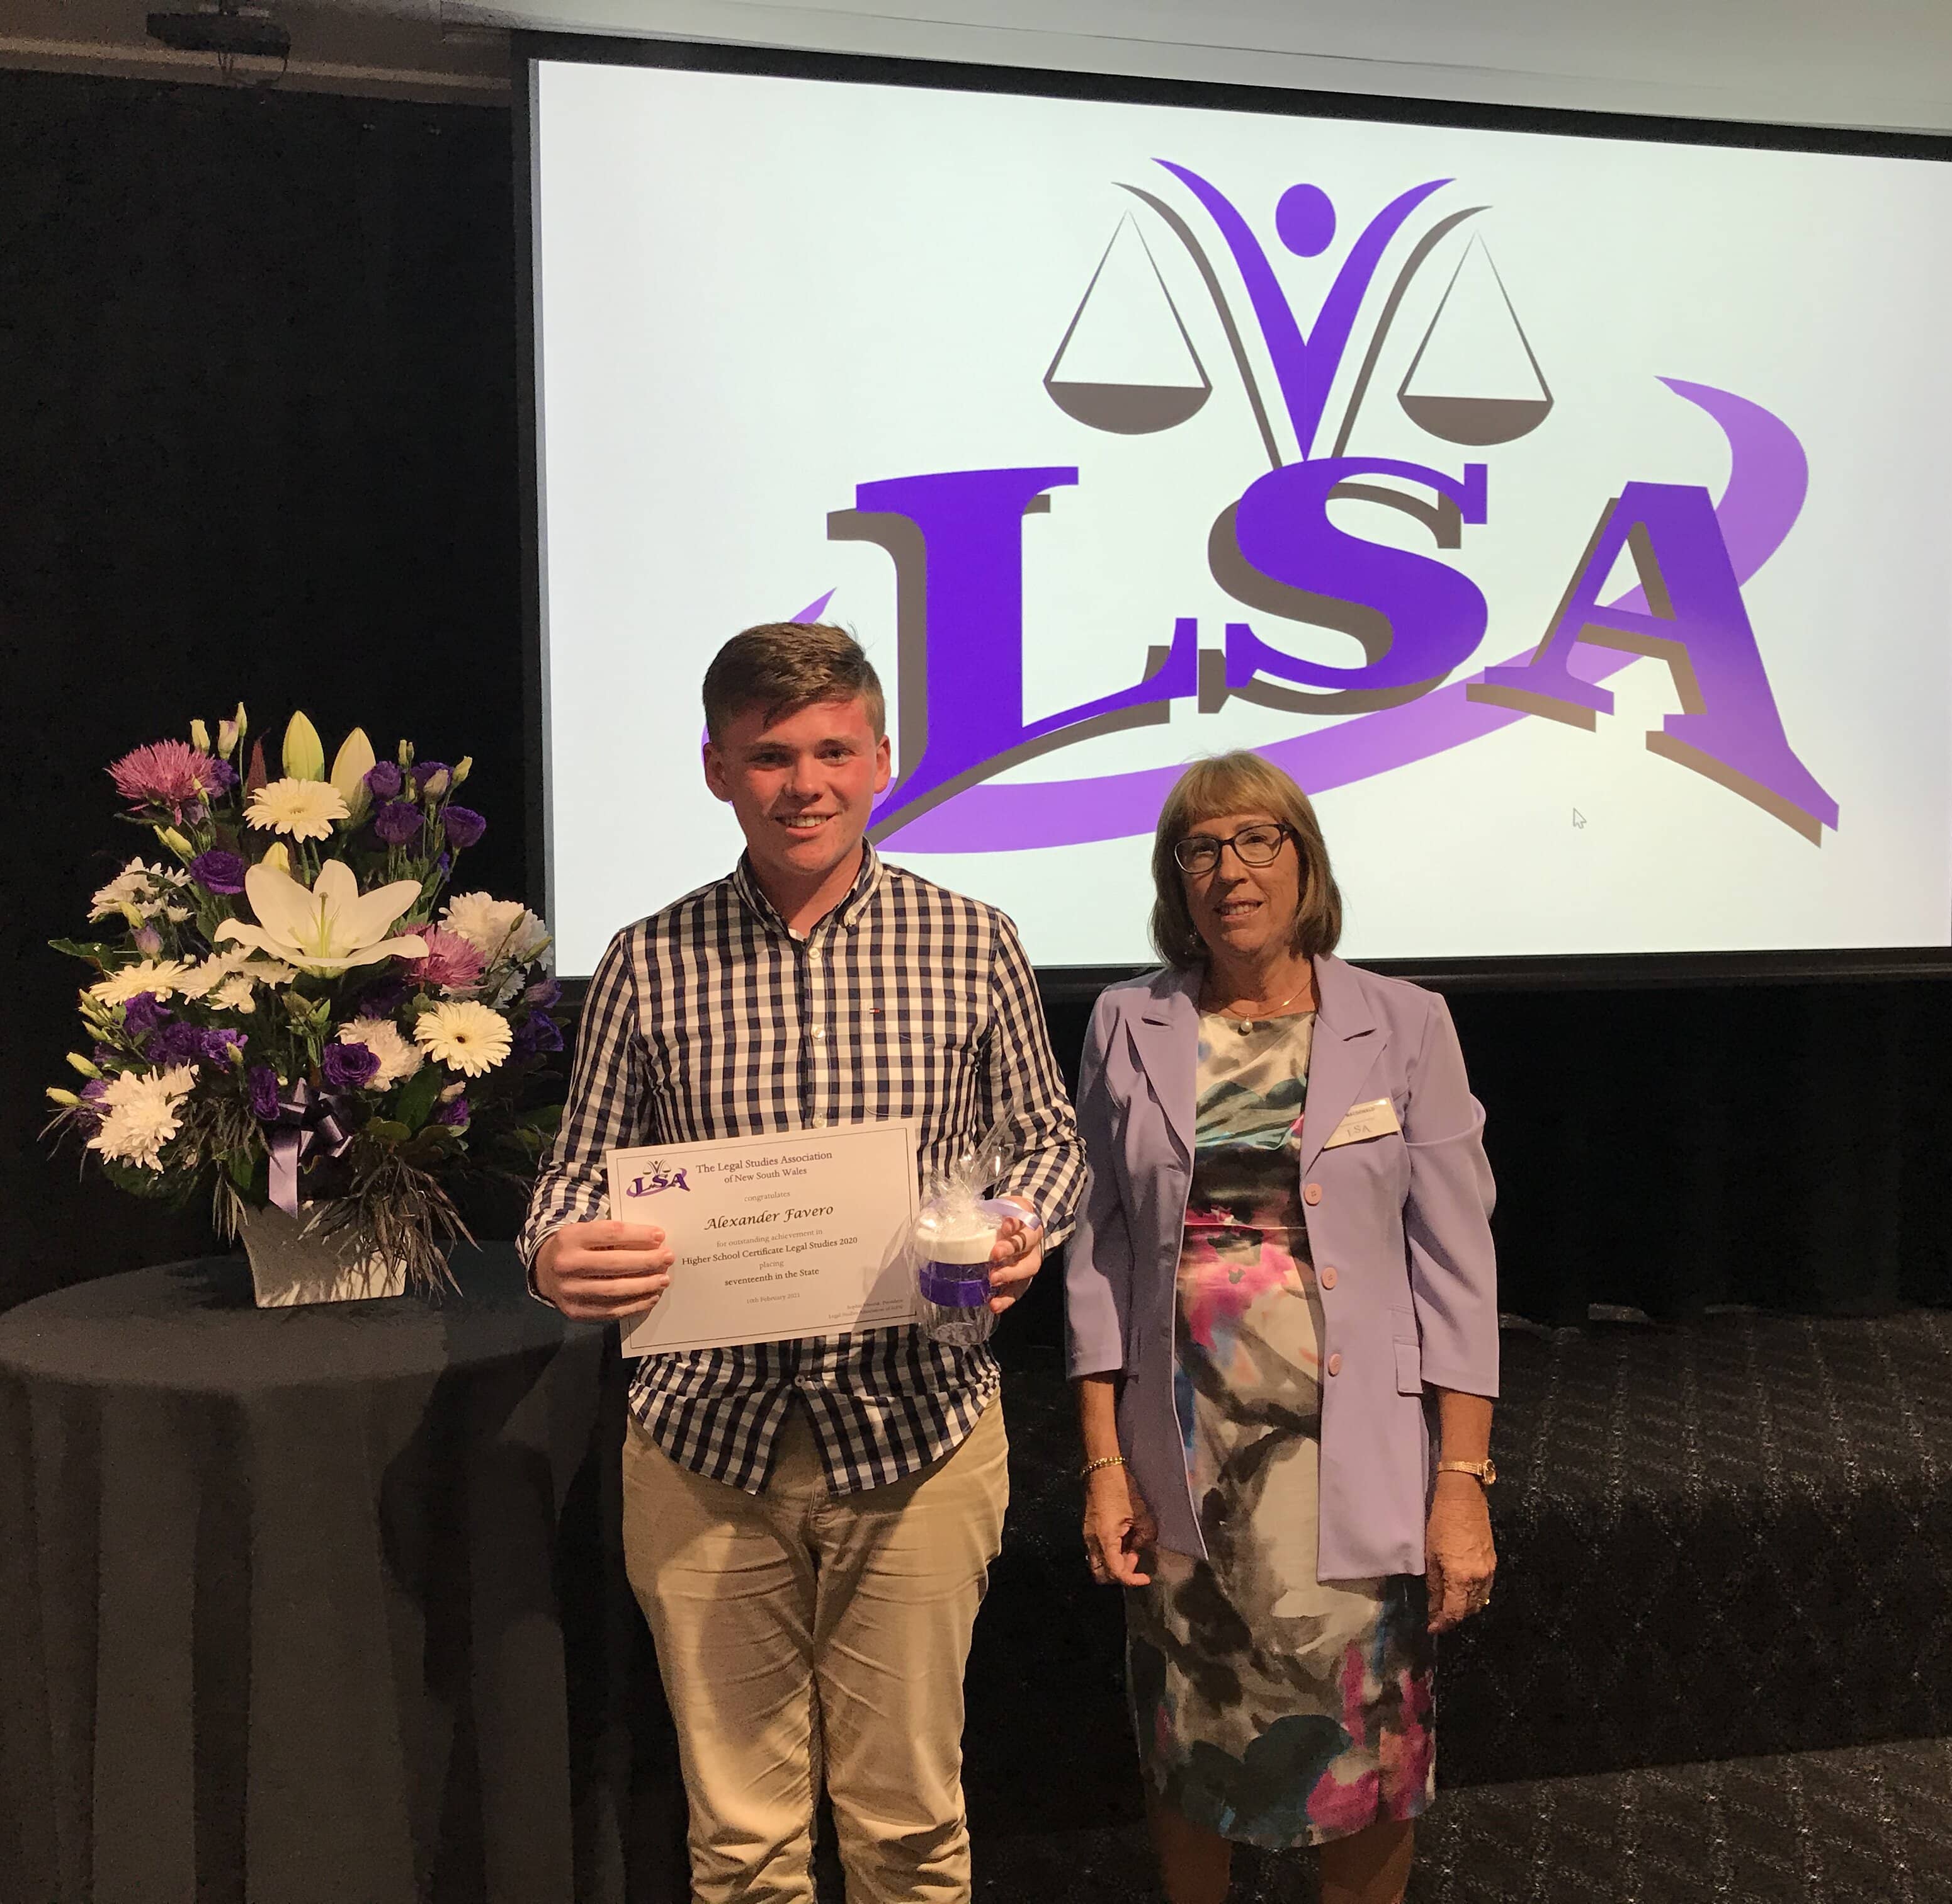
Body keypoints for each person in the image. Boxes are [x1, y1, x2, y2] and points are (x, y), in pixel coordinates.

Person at [521, 622, 1087, 1904]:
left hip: (918, 1434)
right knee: (741, 1845)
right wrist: (559, 1254)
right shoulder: (647, 960)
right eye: (771, 755)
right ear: (717, 769)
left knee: (910, 1831)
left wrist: (1019, 1226)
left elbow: (1051, 1145)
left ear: (882, 759)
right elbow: (573, 1174)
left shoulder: (973, 941)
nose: (804, 784)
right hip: (703, 1448)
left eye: (833, 750)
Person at [1062, 750, 1501, 1904]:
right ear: (1176, 880)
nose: (1230, 871)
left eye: (1258, 840)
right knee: (1190, 1738)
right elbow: (1099, 1253)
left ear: (1305, 863)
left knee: (1367, 1752)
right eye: (1200, 849)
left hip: (1352, 1453)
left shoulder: (1405, 1024)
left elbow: (1459, 1267)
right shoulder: (1126, 1022)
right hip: (1184, 1452)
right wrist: (1103, 1462)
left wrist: (1462, 1481)